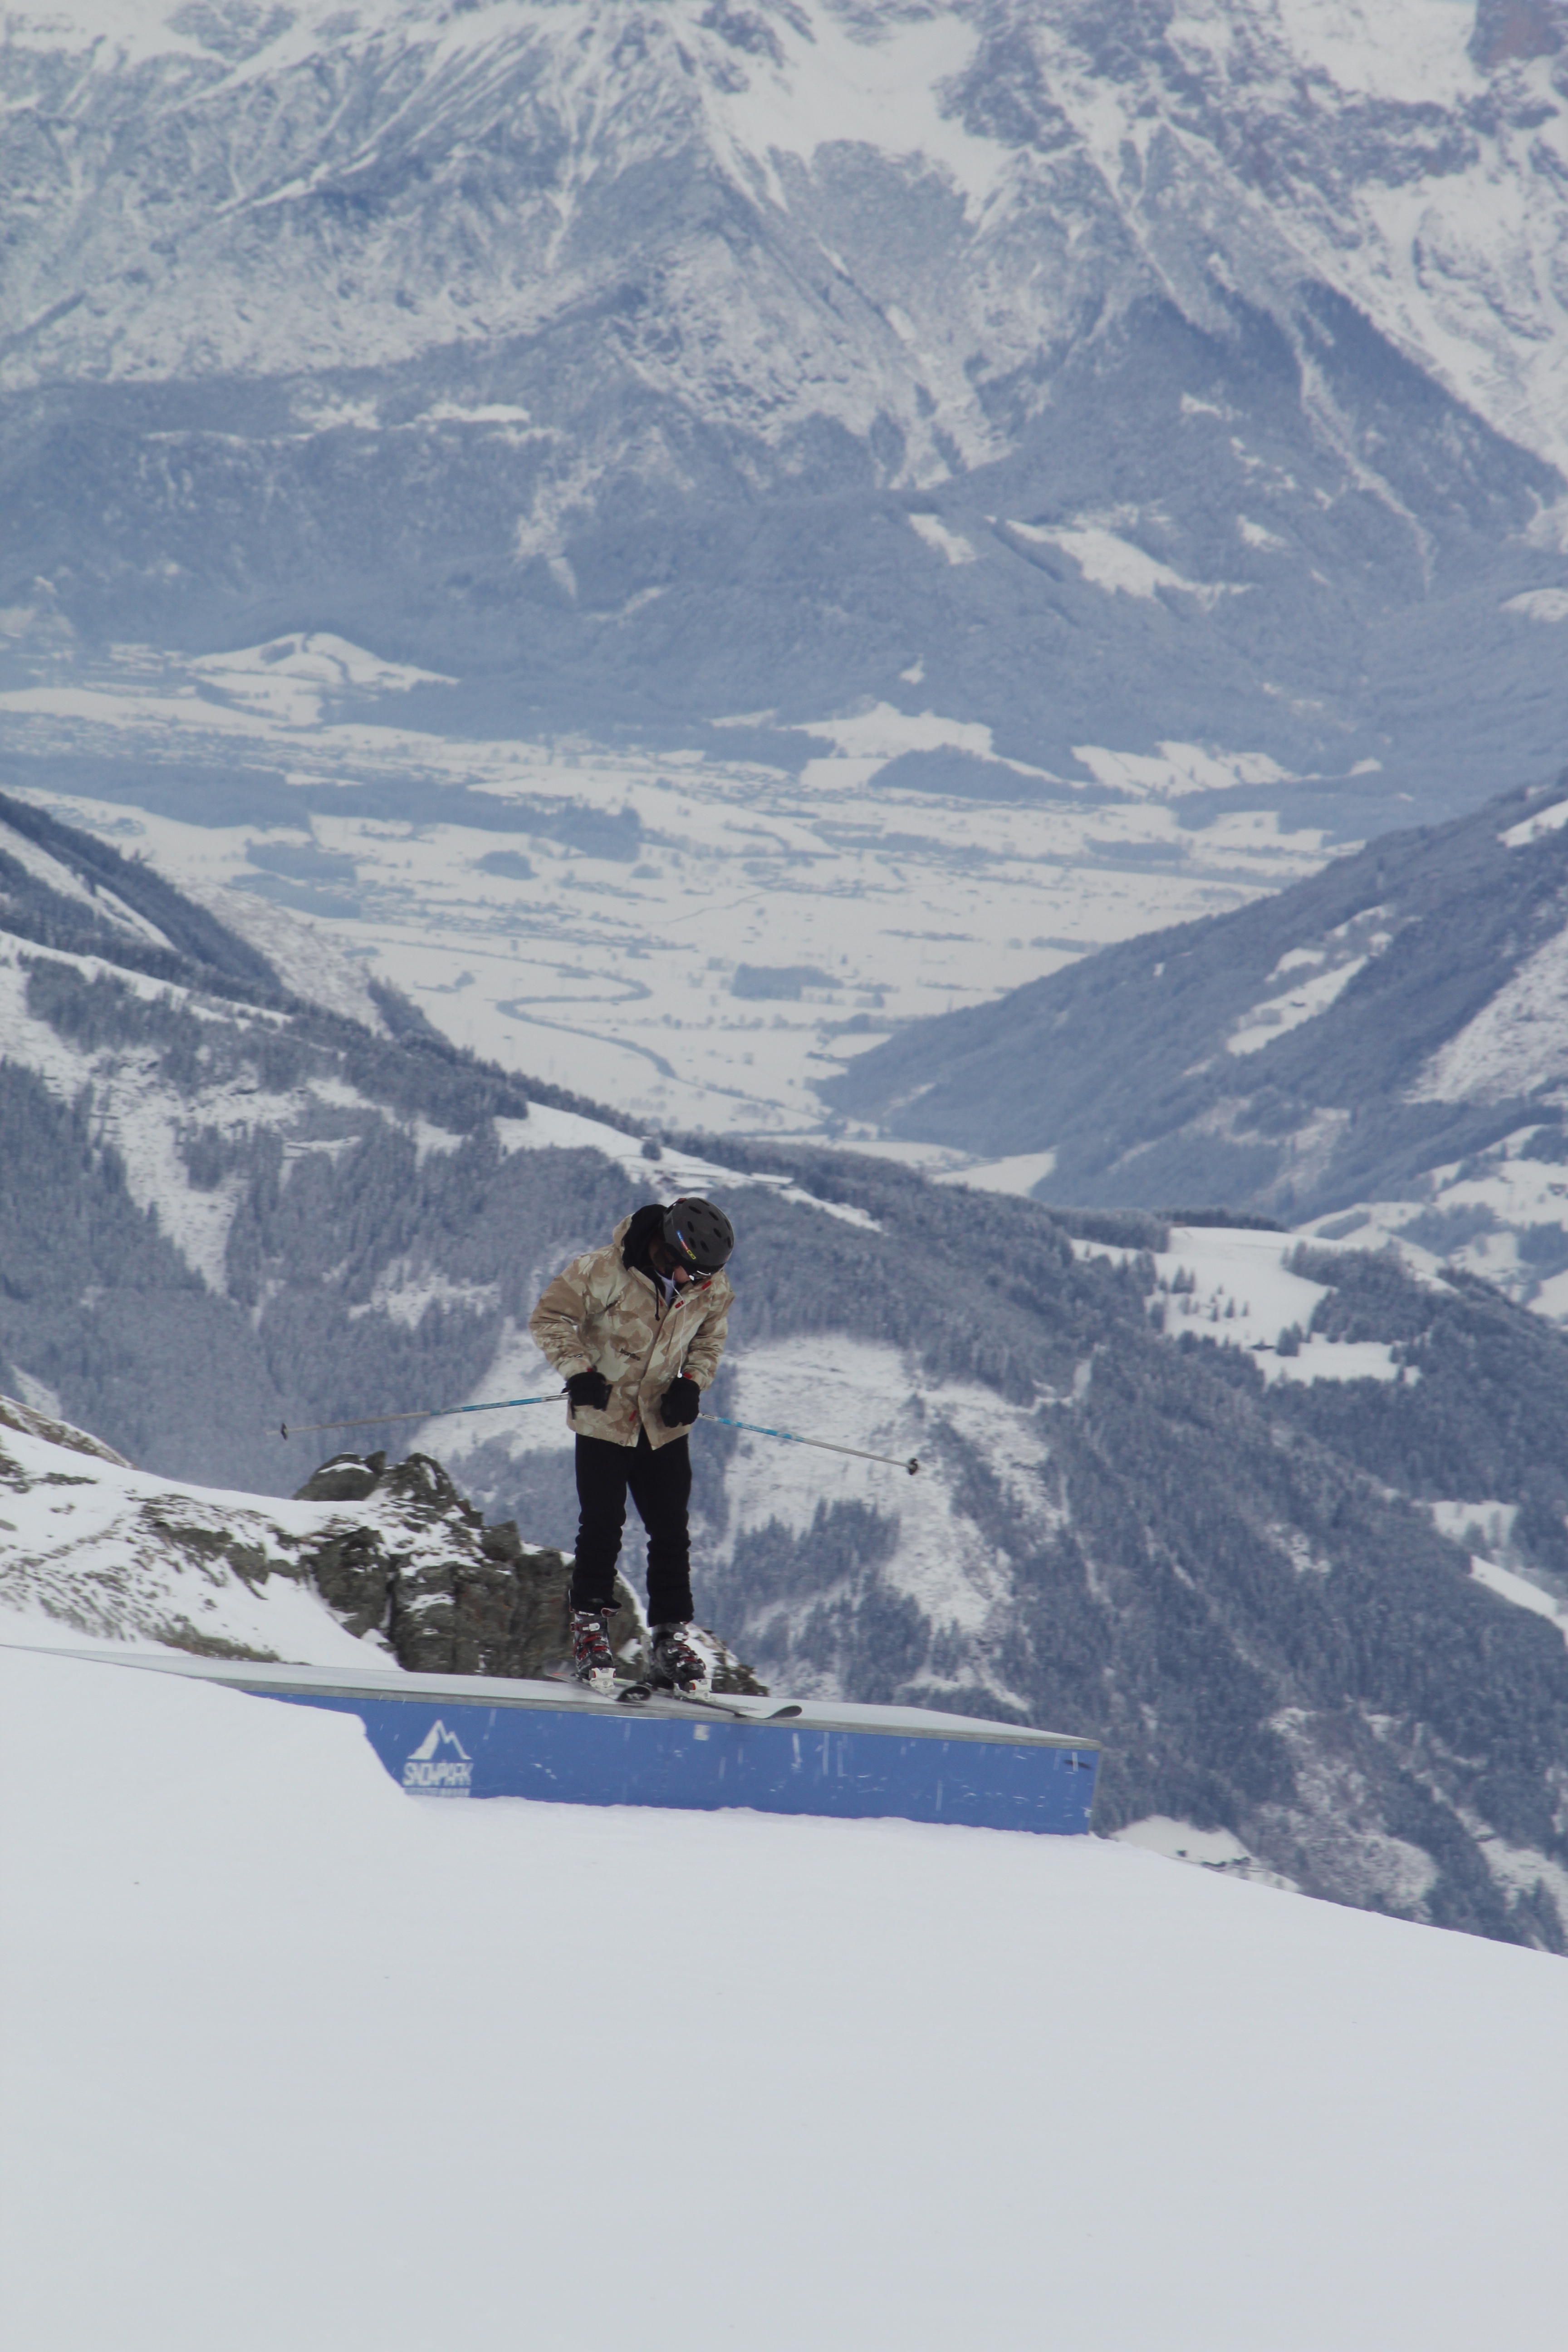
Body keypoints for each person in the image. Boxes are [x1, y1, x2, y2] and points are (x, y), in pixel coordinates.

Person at [529, 1196, 736, 1695]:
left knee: (671, 1533)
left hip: (663, 1425)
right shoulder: (603, 1270)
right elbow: (550, 1318)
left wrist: (691, 1383)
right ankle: (589, 1633)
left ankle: (669, 1639)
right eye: (693, 1273)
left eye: (707, 1276)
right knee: (602, 1527)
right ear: (669, 1248)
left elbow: (710, 1337)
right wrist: (579, 1372)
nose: (700, 1284)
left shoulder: (708, 1280)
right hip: (605, 1419)